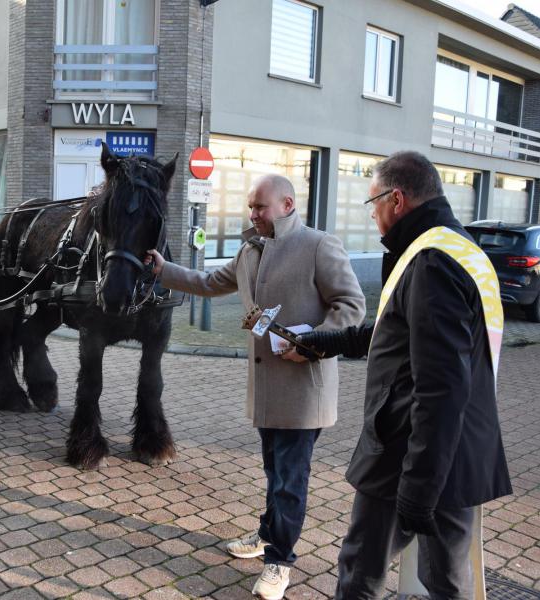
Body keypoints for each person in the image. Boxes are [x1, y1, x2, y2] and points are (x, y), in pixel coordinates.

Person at [294, 151, 512, 599]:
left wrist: (418, 488)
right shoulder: (458, 247)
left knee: (362, 572)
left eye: (372, 202)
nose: (371, 214)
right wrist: (327, 342)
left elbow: (441, 386)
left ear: (396, 200)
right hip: (457, 450)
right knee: (448, 581)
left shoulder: (431, 262)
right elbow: (399, 331)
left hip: (408, 453)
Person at [146, 174, 365, 600]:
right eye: (250, 206)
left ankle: (280, 562)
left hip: (303, 392)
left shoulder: (319, 245)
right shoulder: (250, 250)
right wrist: (164, 270)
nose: (252, 214)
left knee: (290, 480)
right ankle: (267, 535)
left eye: (260, 207)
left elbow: (352, 307)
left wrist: (314, 342)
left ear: (287, 205)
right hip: (266, 391)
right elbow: (209, 284)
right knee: (274, 473)